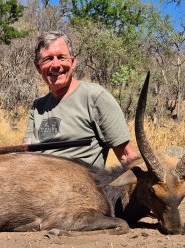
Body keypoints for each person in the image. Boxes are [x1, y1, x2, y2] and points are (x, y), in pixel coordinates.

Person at [23, 31, 139, 168]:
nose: (55, 65)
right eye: (48, 59)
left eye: (61, 57)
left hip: (78, 187)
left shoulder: (96, 97)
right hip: (37, 183)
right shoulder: (38, 106)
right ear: (37, 66)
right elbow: (26, 152)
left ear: (73, 61)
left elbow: (127, 156)